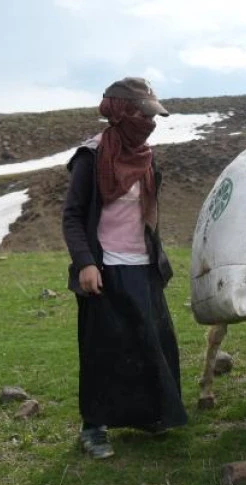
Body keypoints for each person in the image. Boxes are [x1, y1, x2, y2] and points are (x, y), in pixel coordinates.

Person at [61, 77, 188, 459]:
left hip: (143, 268)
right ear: (122, 112)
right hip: (104, 269)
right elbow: (72, 216)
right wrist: (85, 263)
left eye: (153, 115)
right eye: (143, 113)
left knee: (150, 343)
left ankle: (150, 416)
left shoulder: (146, 157)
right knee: (104, 351)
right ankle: (93, 429)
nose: (149, 122)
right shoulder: (92, 156)